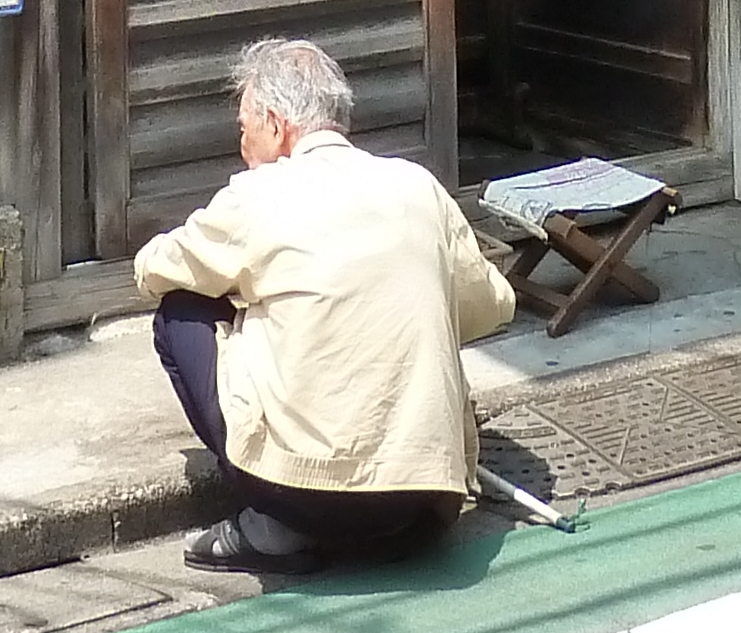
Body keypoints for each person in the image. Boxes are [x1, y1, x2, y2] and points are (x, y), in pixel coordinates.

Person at [136, 32, 520, 575]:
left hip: (308, 498)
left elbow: (155, 269)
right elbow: (491, 303)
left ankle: (270, 525)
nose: (242, 145)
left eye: (245, 129)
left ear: (274, 124)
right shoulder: (418, 187)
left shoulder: (258, 195)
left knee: (181, 309)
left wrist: (243, 294)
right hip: (427, 509)